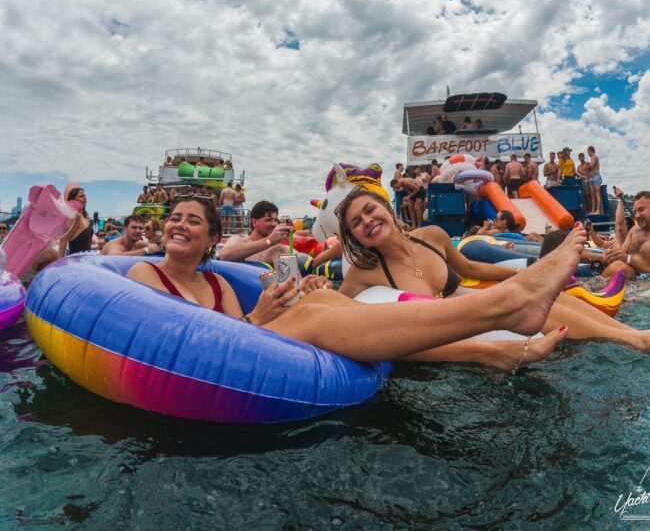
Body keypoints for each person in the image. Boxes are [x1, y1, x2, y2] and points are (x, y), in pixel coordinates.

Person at [127, 195, 589, 369]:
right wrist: (258, 316)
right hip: (193, 366)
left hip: (239, 352)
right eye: (174, 218)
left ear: (209, 237)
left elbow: (239, 337)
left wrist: (267, 311)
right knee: (313, 310)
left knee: (324, 300)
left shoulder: (217, 287)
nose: (179, 225)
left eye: (193, 220)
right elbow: (193, 342)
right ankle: (506, 309)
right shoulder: (143, 274)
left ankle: (498, 339)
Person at [336, 187, 650, 354]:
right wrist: (311, 288)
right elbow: (335, 311)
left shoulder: (431, 236)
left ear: (387, 210)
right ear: (354, 236)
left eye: (370, 210)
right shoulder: (365, 272)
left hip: (470, 299)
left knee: (548, 295)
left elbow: (470, 266)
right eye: (356, 223)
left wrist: (525, 275)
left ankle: (631, 333)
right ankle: (634, 341)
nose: (367, 222)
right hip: (456, 326)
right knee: (525, 302)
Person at [220, 200, 294, 268]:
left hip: (275, 280)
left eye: (275, 220)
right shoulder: (238, 239)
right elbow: (224, 255)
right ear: (254, 222)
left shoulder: (278, 248)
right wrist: (269, 241)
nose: (274, 224)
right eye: (269, 220)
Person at [602, 191, 650, 279]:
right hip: (630, 274)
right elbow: (622, 251)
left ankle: (594, 291)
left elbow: (625, 257)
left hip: (644, 281)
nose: (637, 215)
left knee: (618, 267)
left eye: (641, 209)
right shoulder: (635, 230)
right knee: (617, 266)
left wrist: (627, 258)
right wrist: (612, 256)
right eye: (635, 212)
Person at [58, 187, 93, 256]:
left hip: (87, 258)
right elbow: (63, 241)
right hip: (76, 261)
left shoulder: (85, 216)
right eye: (81, 196)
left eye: (85, 196)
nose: (84, 198)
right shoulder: (75, 217)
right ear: (73, 200)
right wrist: (59, 263)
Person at [587, 146, 603, 214]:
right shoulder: (592, 158)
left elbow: (591, 165)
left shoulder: (595, 157)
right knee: (592, 195)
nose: (588, 154)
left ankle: (598, 210)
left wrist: (586, 166)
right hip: (591, 178)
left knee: (597, 194)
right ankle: (593, 210)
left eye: (588, 152)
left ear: (590, 151)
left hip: (596, 177)